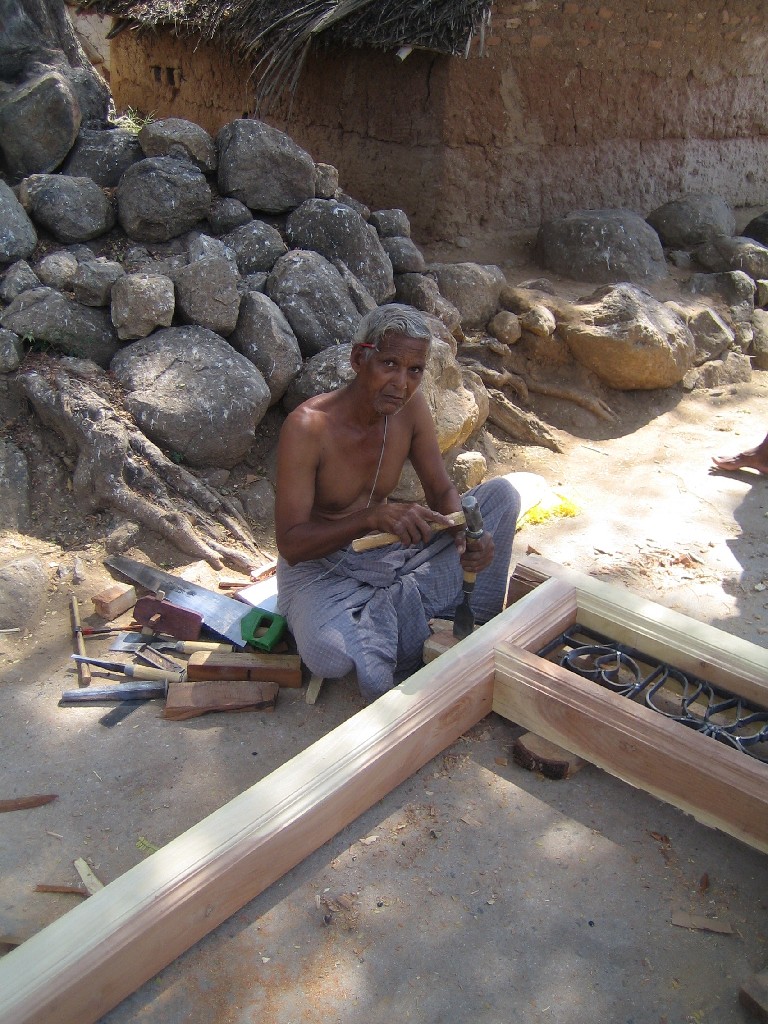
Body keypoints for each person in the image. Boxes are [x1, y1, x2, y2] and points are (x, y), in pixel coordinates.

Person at [275, 303, 521, 702]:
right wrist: (371, 516)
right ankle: (407, 608)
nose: (401, 384)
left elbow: (442, 493)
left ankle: (388, 611)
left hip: (387, 551)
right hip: (321, 569)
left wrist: (465, 532)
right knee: (329, 655)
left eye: (414, 371)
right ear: (360, 358)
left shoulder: (410, 410)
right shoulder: (308, 427)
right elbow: (291, 544)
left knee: (501, 499)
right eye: (389, 363)